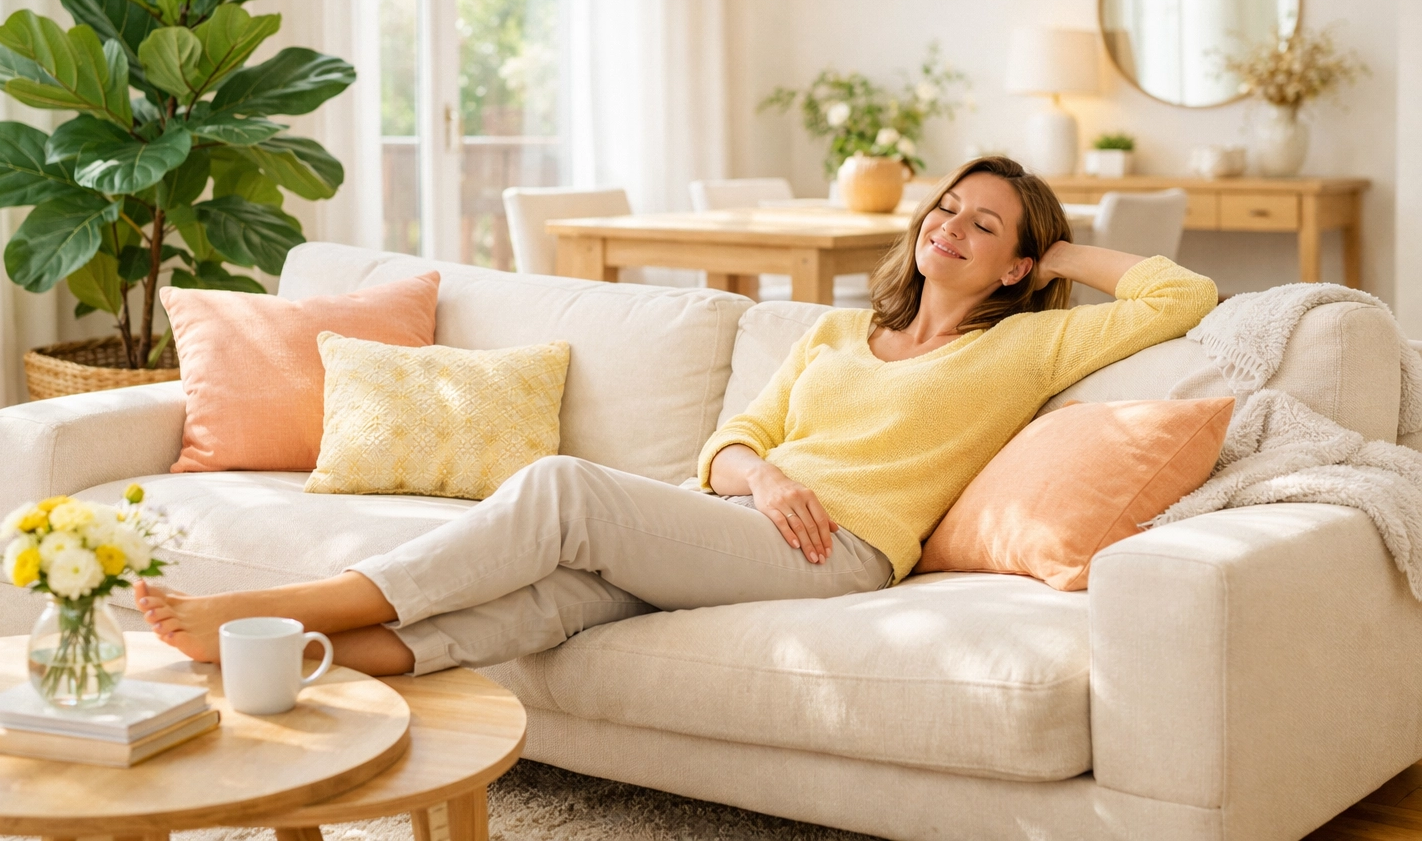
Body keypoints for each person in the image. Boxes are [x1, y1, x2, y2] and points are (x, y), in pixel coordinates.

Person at [136, 156, 1218, 676]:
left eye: (985, 226)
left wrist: (1063, 254)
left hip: (839, 552)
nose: (950, 225)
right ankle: (300, 660)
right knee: (562, 593)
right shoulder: (839, 331)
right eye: (948, 204)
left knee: (562, 491)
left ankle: (289, 607)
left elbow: (1184, 298)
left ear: (1015, 261)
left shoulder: (1027, 340)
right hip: (760, 517)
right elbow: (728, 442)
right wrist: (769, 474)